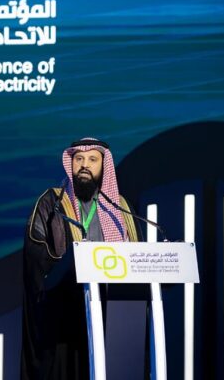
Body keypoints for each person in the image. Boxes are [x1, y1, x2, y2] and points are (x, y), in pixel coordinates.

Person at [21, 137, 141, 380]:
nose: (85, 165)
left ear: (104, 167)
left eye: (92, 159)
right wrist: (64, 268)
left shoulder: (120, 207)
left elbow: (136, 256)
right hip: (65, 315)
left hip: (112, 313)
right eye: (79, 159)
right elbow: (35, 253)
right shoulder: (52, 202)